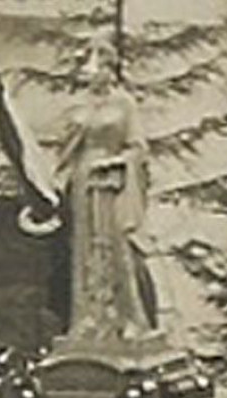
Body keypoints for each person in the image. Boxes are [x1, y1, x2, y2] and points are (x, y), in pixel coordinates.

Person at [55, 35, 153, 342]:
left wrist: (118, 163)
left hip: (112, 183)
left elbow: (138, 147)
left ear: (111, 70)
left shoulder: (124, 104)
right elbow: (67, 151)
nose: (94, 72)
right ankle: (89, 317)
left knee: (114, 245)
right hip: (84, 182)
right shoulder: (77, 106)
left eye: (100, 66)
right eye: (89, 66)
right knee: (86, 249)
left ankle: (125, 317)